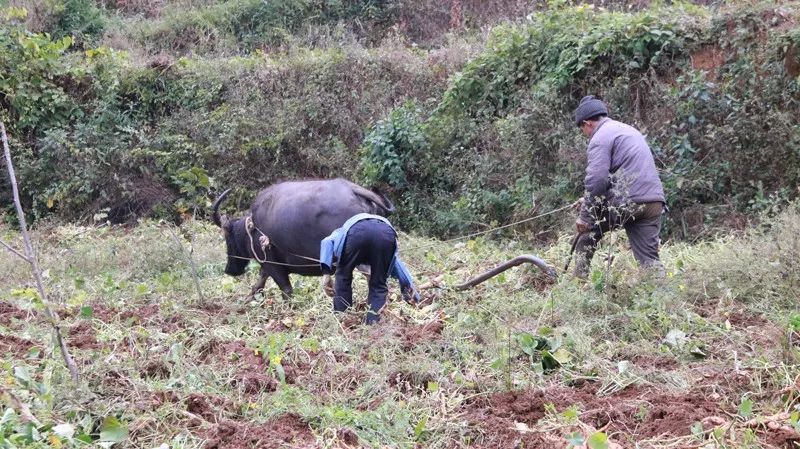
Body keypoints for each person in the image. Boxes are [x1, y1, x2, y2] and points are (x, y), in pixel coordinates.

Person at [572, 95, 666, 279]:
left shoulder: (599, 137)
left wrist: (585, 216)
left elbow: (596, 181)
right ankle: (663, 301)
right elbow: (622, 175)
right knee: (649, 259)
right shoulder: (627, 130)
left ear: (587, 123)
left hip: (628, 201)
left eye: (581, 129)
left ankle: (576, 286)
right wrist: (588, 200)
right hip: (653, 201)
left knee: (586, 233)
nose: (584, 134)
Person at [319, 213, 420, 324]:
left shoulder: (341, 232)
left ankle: (343, 320)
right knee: (378, 284)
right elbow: (399, 267)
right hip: (385, 234)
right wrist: (411, 294)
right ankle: (373, 325)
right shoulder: (343, 231)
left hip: (356, 233)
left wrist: (326, 274)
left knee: (343, 277)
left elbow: (326, 242)